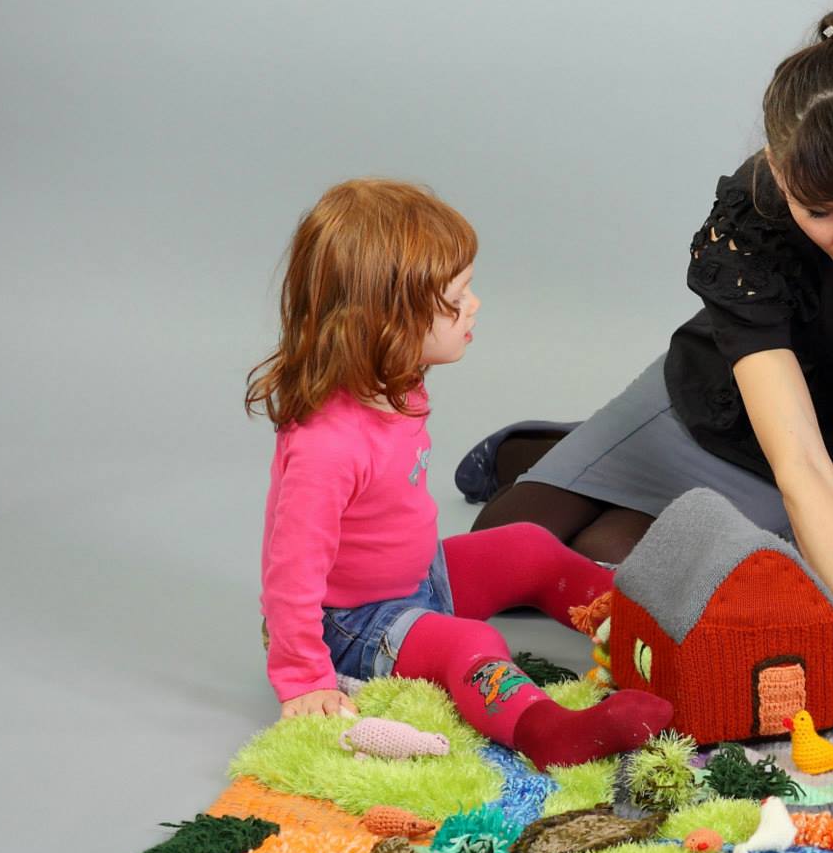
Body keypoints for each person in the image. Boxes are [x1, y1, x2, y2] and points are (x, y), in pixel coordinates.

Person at [463, 8, 833, 733]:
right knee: (501, 537)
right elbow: (799, 462)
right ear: (780, 167)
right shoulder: (750, 209)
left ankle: (588, 462)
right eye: (822, 212)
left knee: (635, 567)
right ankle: (534, 450)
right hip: (732, 408)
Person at [249, 180, 672, 766]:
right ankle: (548, 731)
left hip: (421, 577)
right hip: (356, 624)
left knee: (527, 547)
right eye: (455, 298)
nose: (474, 304)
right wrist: (304, 678)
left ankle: (650, 630)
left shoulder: (392, 382)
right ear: (386, 322)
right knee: (472, 643)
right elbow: (291, 573)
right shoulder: (327, 447)